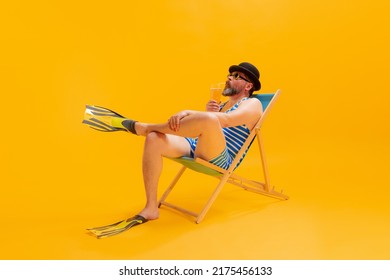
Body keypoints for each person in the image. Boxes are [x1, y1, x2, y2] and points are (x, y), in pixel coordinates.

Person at [84, 62, 262, 233]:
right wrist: (190, 112)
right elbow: (209, 126)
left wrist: (205, 116)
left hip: (222, 159)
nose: (230, 78)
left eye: (237, 76)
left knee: (208, 120)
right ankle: (151, 207)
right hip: (197, 145)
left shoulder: (252, 104)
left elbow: (227, 121)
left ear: (248, 86)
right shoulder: (222, 106)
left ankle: (144, 127)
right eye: (230, 74)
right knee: (154, 139)